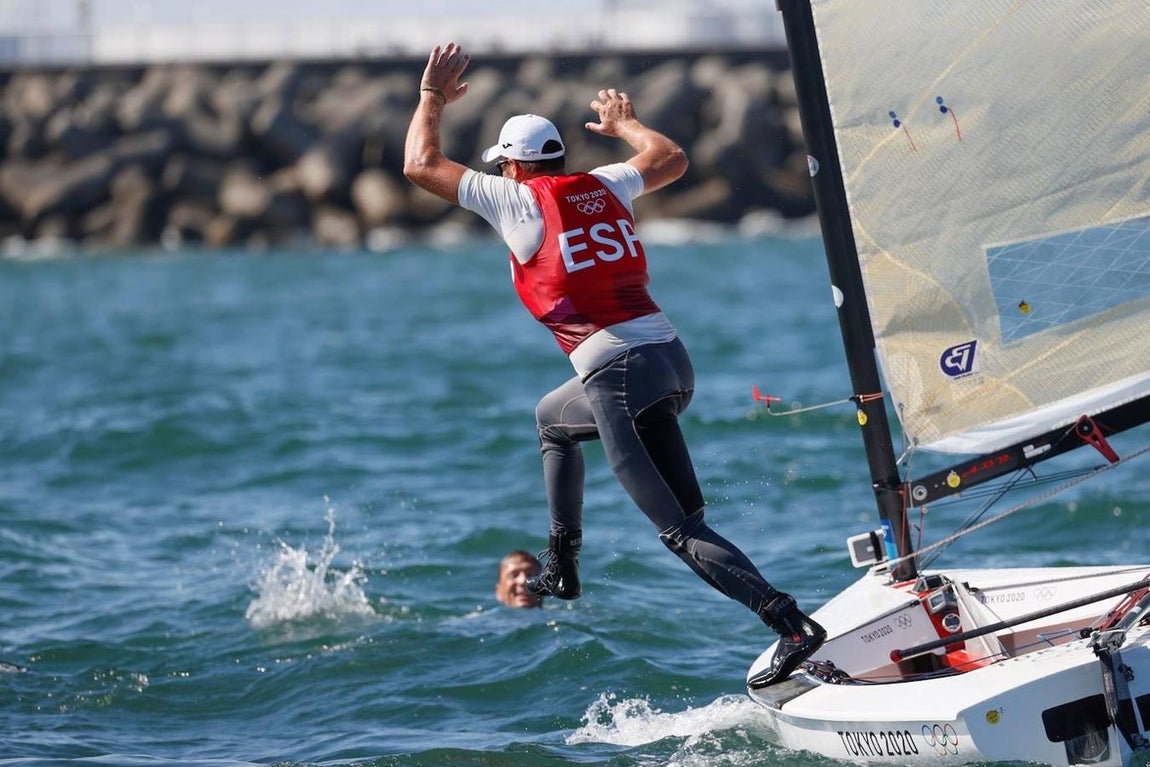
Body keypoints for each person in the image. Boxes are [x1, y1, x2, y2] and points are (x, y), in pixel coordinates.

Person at [403, 42, 825, 687]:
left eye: (505, 166)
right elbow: (672, 159)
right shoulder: (605, 184)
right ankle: (563, 564)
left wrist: (431, 95)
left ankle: (791, 624)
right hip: (670, 364)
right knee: (552, 418)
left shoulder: (516, 200)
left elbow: (420, 163)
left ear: (513, 168)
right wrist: (625, 123)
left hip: (619, 375)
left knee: (679, 532)